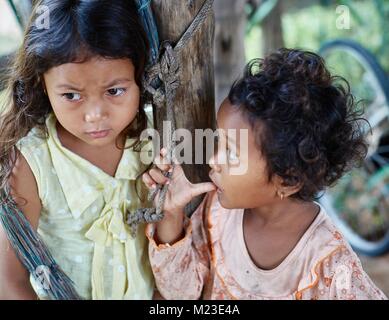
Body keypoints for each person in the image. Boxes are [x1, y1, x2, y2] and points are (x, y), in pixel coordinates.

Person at [143, 48, 388, 300]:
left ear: (288, 180)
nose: (214, 160)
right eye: (220, 141)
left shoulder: (331, 267)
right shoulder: (216, 212)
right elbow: (181, 293)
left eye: (233, 152)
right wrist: (171, 214)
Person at [0, 0, 155, 300]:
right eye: (71, 95)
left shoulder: (155, 141)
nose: (95, 114)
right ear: (43, 85)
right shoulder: (33, 163)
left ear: (140, 77)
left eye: (114, 91)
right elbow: (9, 281)